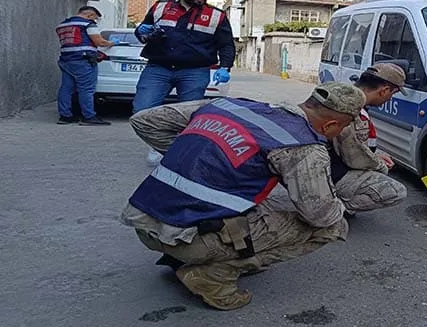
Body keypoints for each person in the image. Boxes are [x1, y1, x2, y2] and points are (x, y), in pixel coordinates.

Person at [120, 81, 366, 311]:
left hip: (144, 223)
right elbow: (320, 215)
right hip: (188, 240)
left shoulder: (229, 105)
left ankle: (183, 257)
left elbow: (145, 120)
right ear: (332, 125)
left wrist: (205, 157)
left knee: (264, 200)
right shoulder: (304, 147)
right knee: (333, 226)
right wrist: (341, 204)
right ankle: (212, 274)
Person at [132, 0, 236, 163]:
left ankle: (178, 151)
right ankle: (158, 146)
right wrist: (141, 32)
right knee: (142, 110)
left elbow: (226, 45)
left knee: (188, 115)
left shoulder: (216, 16)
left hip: (194, 72)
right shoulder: (161, 7)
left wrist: (225, 67)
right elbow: (143, 32)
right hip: (158, 68)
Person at [329, 63, 409, 215]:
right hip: (331, 171)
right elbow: (354, 157)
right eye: (392, 94)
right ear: (384, 90)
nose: (390, 99)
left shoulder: (346, 96)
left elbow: (355, 143)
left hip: (326, 165)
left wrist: (375, 154)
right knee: (396, 191)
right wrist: (379, 165)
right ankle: (333, 209)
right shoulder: (353, 110)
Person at [55, 5, 117, 125]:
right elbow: (100, 42)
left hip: (66, 60)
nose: (94, 21)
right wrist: (112, 43)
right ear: (90, 15)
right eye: (95, 19)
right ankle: (88, 117)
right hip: (83, 60)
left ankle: (65, 116)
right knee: (87, 89)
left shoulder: (63, 25)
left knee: (66, 88)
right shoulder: (88, 24)